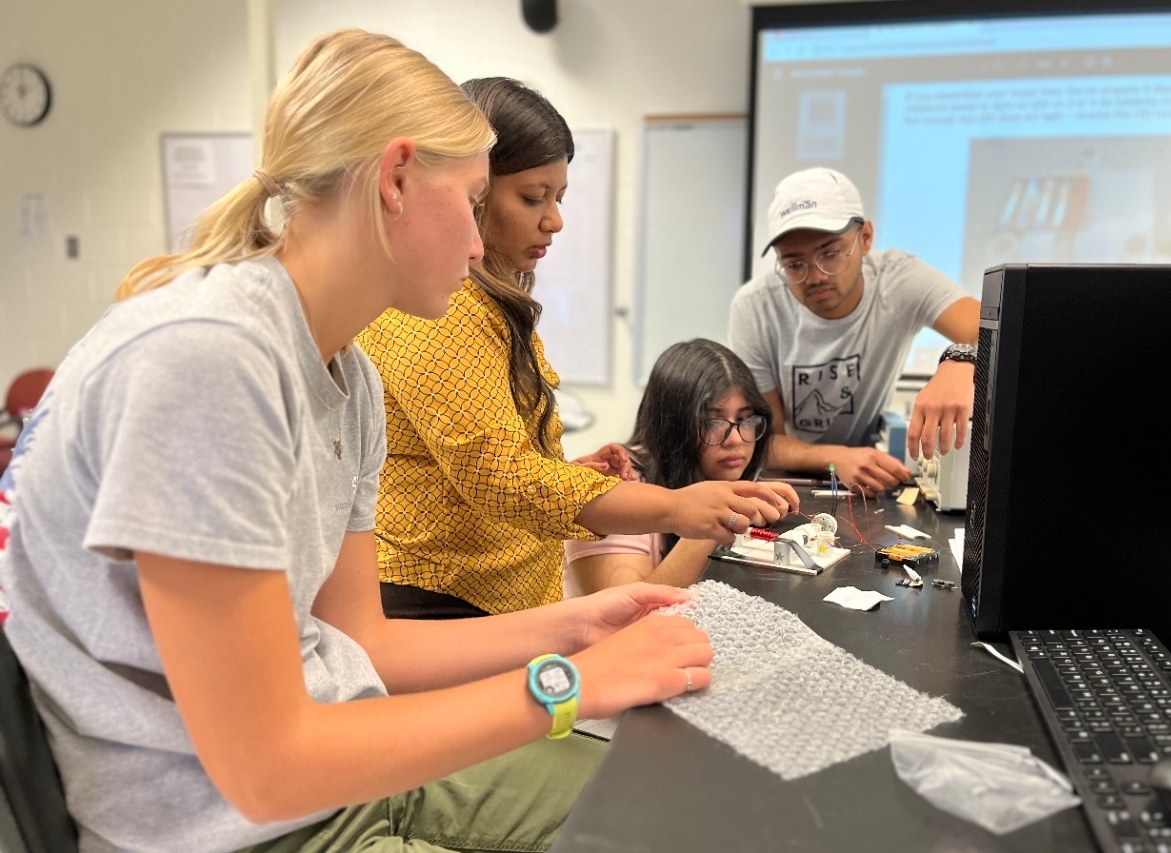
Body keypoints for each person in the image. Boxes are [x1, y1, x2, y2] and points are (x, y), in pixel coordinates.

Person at [0, 31, 745, 853]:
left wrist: (575, 629)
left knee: (667, 812)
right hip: (230, 826)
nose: (476, 243)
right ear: (395, 179)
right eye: (470, 204)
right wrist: (571, 683)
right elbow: (267, 767)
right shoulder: (206, 361)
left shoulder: (348, 379)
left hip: (338, 761)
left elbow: (366, 640)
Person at [357, 78, 793, 620]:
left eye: (559, 198)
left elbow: (484, 458)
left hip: (492, 593)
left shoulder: (487, 299)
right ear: (471, 191)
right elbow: (500, 480)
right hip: (442, 596)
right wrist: (677, 507)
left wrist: (567, 471)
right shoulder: (443, 306)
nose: (555, 220)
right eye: (533, 198)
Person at [727, 167, 981, 496]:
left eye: (830, 255)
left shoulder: (900, 281)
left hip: (874, 476)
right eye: (794, 264)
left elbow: (993, 327)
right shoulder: (755, 308)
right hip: (794, 481)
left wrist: (960, 361)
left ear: (865, 238)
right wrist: (834, 459)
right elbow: (764, 443)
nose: (815, 276)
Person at [565, 339, 799, 595]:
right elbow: (625, 620)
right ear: (671, 427)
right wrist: (716, 518)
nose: (735, 439)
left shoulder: (721, 470)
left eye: (745, 419)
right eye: (711, 421)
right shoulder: (618, 482)